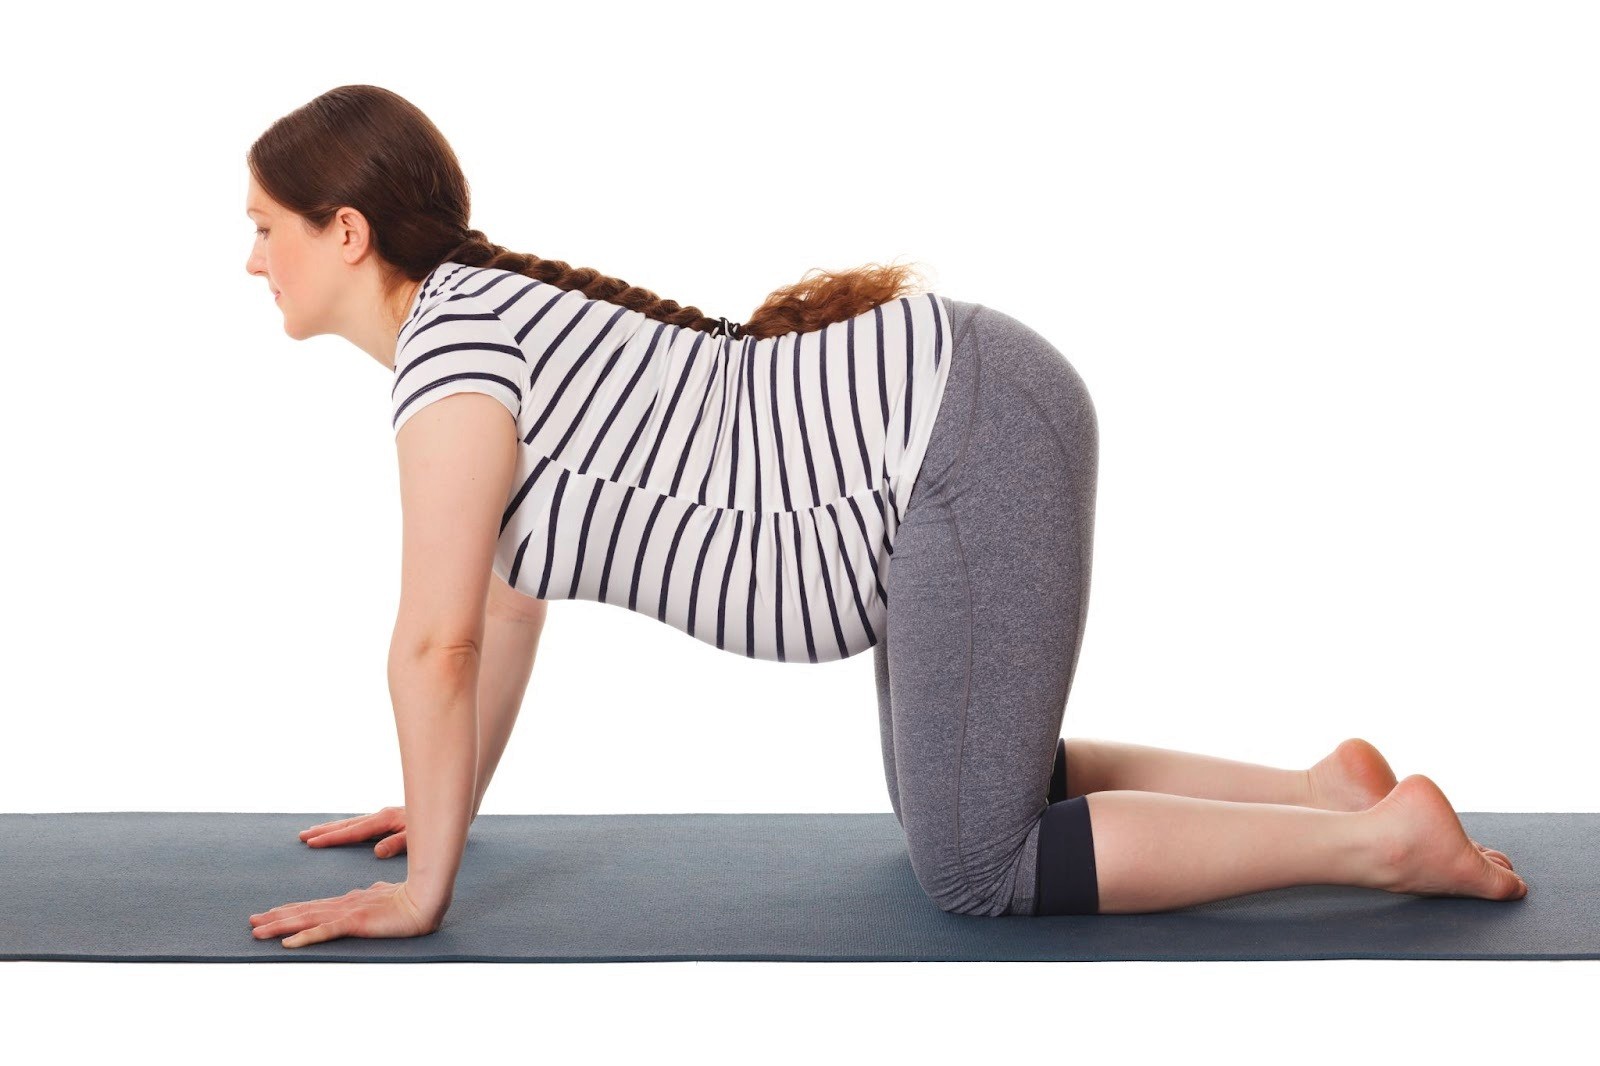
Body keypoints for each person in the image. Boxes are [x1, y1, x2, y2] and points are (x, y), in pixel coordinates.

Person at [242, 85, 1527, 950]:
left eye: (263, 228)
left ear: (345, 231)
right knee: (961, 805)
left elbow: (435, 644)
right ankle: (1320, 793)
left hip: (962, 438)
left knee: (976, 866)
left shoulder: (454, 356)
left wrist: (422, 892)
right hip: (961, 423)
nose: (252, 260)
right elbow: (503, 609)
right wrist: (441, 797)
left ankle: (1373, 847)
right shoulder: (477, 326)